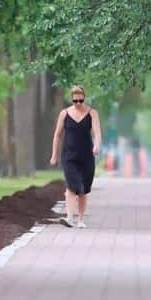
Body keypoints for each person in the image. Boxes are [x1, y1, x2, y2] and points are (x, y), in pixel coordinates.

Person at [50, 85, 101, 228]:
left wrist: (97, 145)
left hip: (86, 156)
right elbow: (57, 135)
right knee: (72, 185)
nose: (78, 103)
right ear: (71, 99)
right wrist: (54, 155)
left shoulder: (92, 113)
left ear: (84, 98)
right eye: (75, 101)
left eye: (81, 100)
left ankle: (80, 220)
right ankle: (69, 217)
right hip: (69, 156)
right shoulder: (64, 114)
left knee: (83, 189)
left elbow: (97, 133)